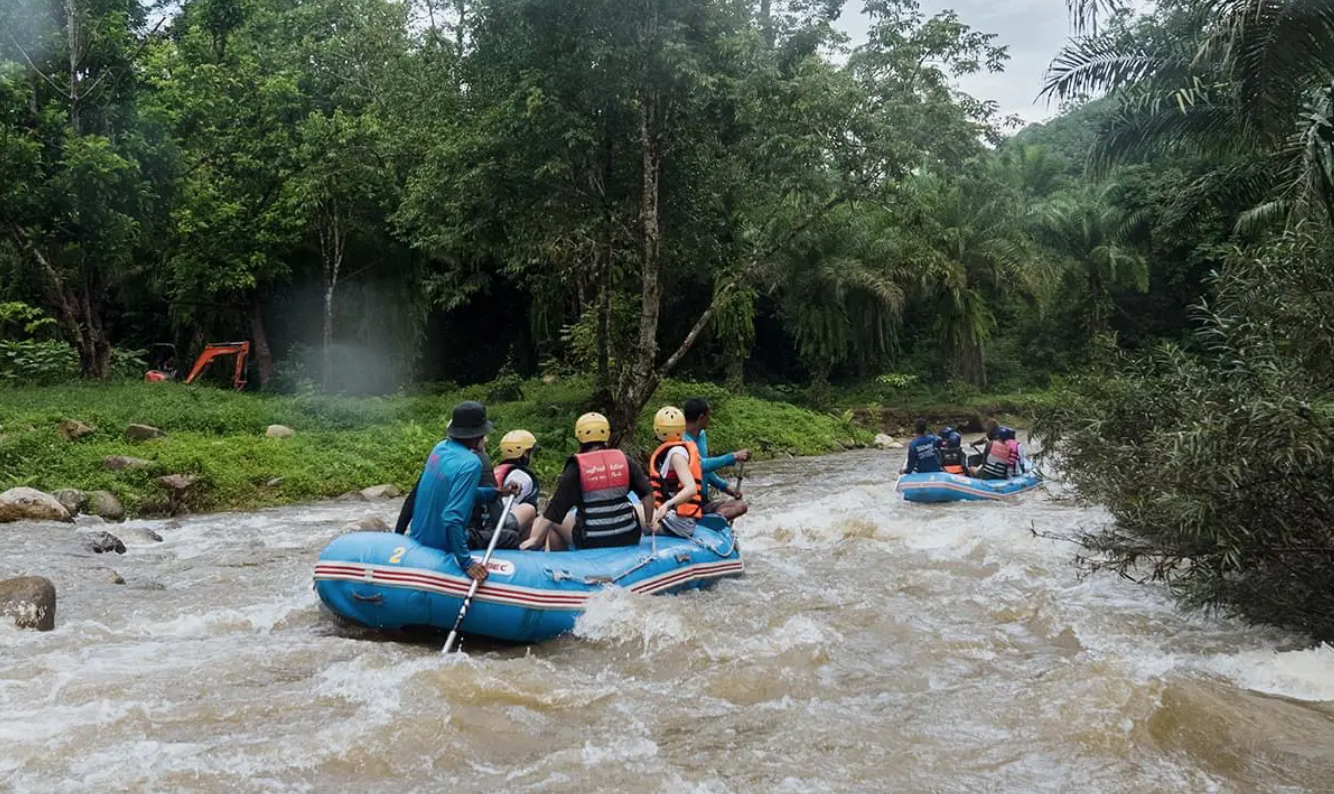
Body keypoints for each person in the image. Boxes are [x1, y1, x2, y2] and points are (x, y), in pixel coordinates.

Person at [403, 401, 520, 581]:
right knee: (511, 536)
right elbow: (452, 517)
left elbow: (461, 494)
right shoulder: (471, 464)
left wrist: (497, 492)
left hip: (419, 536)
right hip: (443, 543)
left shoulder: (440, 448)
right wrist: (466, 563)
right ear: (477, 436)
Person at [520, 412, 650, 551]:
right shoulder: (624, 460)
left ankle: (558, 560)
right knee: (636, 508)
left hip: (591, 540)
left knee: (554, 523)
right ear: (607, 435)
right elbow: (648, 494)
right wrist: (648, 523)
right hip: (629, 536)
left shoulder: (576, 467)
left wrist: (536, 538)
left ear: (579, 438)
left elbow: (555, 509)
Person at [682, 397, 750, 522]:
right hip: (686, 502)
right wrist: (733, 456)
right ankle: (705, 522)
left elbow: (705, 472)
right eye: (708, 415)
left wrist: (725, 487)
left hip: (702, 500)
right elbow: (700, 465)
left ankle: (708, 520)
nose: (710, 419)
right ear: (701, 417)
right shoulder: (682, 440)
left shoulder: (701, 435)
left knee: (741, 506)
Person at [648, 406, 703, 538]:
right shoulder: (671, 452)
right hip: (674, 517)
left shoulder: (676, 455)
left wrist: (667, 505)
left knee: (634, 511)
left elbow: (691, 489)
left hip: (680, 522)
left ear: (657, 430)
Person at [492, 429, 541, 538]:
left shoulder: (496, 470)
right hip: (500, 525)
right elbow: (505, 505)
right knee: (533, 513)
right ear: (525, 453)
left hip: (490, 520)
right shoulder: (522, 477)